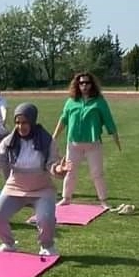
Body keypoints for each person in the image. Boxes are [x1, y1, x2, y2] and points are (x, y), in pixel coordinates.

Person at [0, 103, 71, 257]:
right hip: (15, 187)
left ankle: (47, 246)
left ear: (32, 121)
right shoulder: (9, 141)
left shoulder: (47, 141)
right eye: (17, 122)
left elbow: (52, 164)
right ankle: (8, 244)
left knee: (45, 219)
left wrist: (60, 169)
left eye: (24, 122)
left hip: (42, 189)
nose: (20, 126)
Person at [52, 72, 122, 208]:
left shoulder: (99, 102)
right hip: (73, 144)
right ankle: (66, 198)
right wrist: (54, 137)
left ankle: (103, 200)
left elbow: (109, 121)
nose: (84, 85)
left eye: (87, 83)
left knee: (97, 173)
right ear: (77, 85)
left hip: (93, 144)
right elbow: (63, 119)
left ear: (92, 84)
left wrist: (116, 139)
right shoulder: (71, 101)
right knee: (70, 172)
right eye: (81, 83)